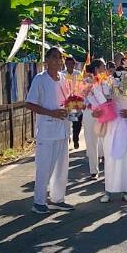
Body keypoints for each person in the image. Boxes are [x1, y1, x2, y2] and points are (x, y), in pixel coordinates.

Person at [25, 48, 72, 215]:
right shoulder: (40, 79)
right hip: (47, 129)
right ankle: (39, 201)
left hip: (63, 129)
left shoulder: (64, 79)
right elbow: (29, 103)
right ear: (47, 60)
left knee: (62, 167)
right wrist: (51, 113)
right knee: (44, 167)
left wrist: (73, 107)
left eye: (60, 57)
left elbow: (69, 100)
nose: (58, 61)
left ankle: (58, 199)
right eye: (54, 57)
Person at [82, 58, 109, 185]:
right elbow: (82, 99)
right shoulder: (87, 81)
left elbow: (109, 97)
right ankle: (94, 170)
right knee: (91, 141)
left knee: (106, 140)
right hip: (90, 114)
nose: (105, 68)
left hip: (104, 113)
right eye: (103, 66)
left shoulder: (106, 81)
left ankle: (109, 169)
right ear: (97, 68)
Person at [65, 56, 85, 153]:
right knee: (66, 122)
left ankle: (75, 139)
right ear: (65, 65)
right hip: (65, 102)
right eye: (68, 64)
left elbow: (82, 87)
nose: (70, 66)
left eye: (71, 64)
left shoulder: (78, 74)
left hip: (76, 102)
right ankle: (67, 138)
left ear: (74, 64)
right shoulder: (62, 75)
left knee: (76, 123)